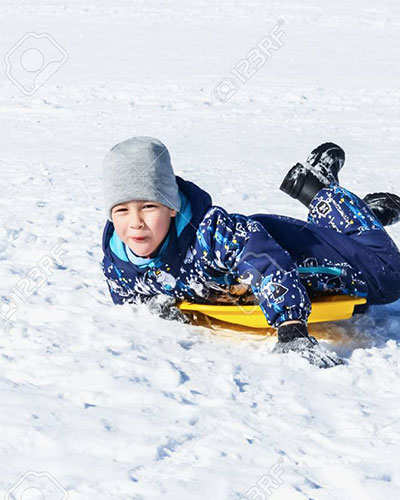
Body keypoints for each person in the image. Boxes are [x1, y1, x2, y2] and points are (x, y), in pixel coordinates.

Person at [101, 137, 400, 368]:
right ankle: (362, 216)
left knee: (387, 278)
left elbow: (266, 263)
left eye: (149, 206)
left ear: (171, 206)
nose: (135, 222)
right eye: (122, 210)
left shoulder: (211, 233)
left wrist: (291, 326)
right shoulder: (120, 263)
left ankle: (320, 188)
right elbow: (131, 297)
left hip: (300, 251)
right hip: (293, 272)